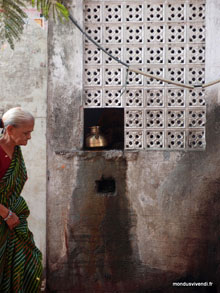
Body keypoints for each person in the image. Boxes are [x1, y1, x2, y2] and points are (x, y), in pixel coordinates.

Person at [0, 107, 42, 292]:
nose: (29, 137)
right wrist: (6, 214)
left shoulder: (15, 152)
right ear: (10, 130)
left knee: (28, 264)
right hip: (6, 218)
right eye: (26, 133)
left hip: (13, 222)